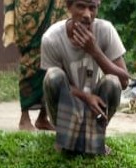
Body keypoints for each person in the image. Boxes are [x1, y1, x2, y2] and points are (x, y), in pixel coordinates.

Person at [39, 0, 129, 155]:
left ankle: (93, 136)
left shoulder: (105, 30)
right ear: (69, 7)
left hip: (96, 107)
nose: (87, 15)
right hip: (69, 105)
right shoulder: (51, 38)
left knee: (113, 82)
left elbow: (124, 81)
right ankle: (67, 138)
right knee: (52, 76)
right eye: (80, 6)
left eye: (92, 8)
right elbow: (56, 83)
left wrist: (95, 51)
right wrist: (87, 97)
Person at [2, 0, 60, 132]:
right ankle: (24, 117)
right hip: (30, 8)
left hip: (55, 4)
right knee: (30, 57)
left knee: (52, 54)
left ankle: (43, 117)